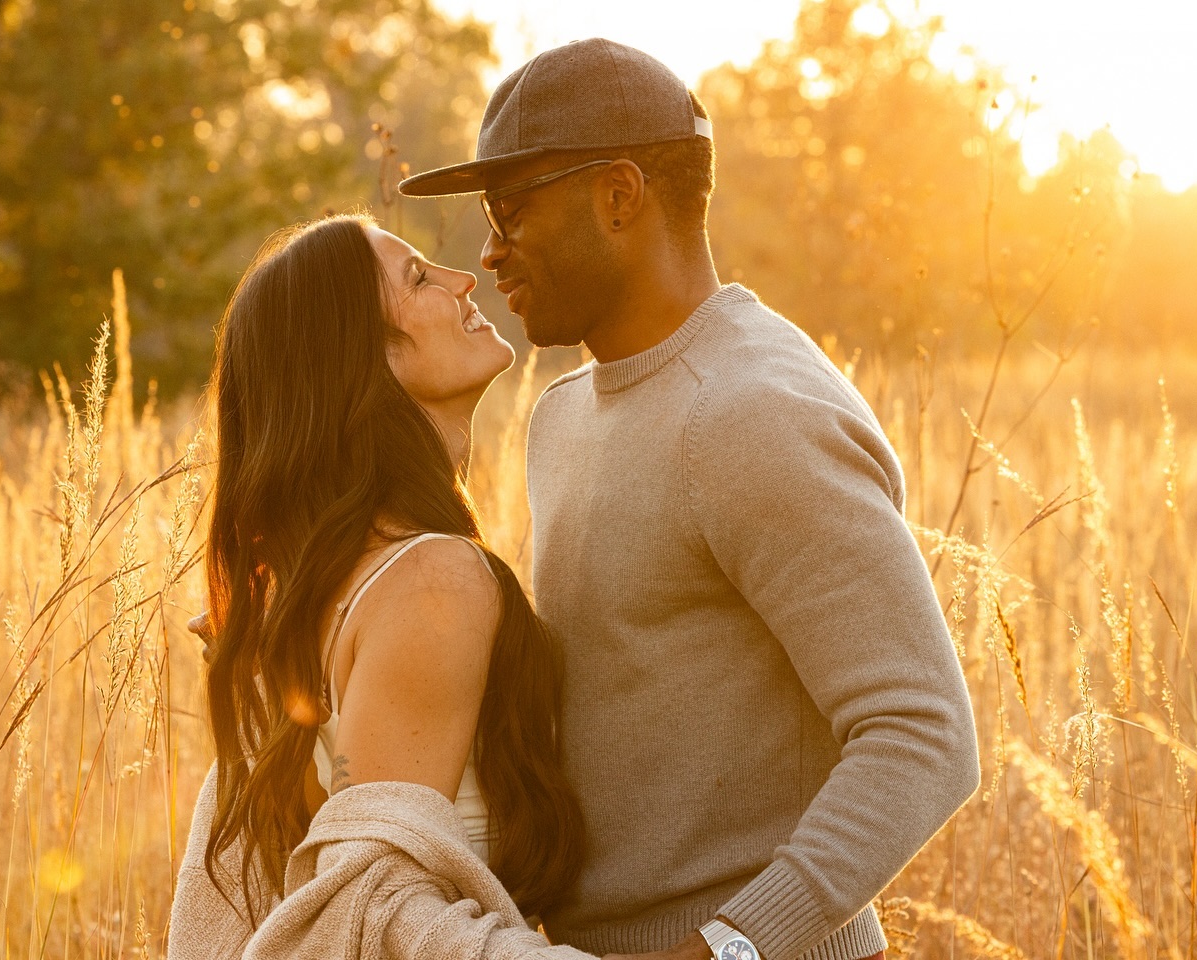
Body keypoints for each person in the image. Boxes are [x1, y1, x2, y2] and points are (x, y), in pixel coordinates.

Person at [398, 38, 982, 960]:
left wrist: (731, 946)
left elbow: (925, 733)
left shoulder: (753, 412)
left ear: (619, 195)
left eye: (511, 209)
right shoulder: (562, 417)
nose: (489, 249)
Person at [173, 212, 585, 946]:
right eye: (419, 277)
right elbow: (372, 904)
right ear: (360, 358)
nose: (466, 279)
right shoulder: (432, 578)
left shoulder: (331, 581)